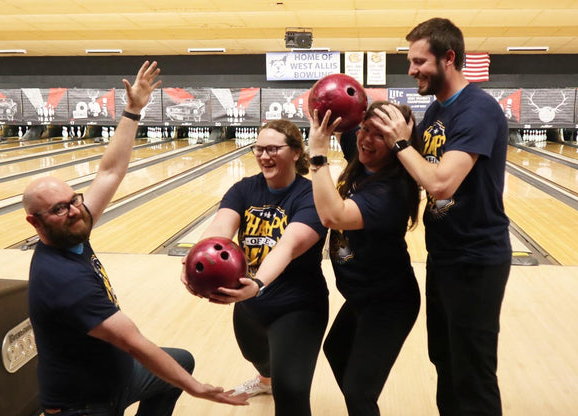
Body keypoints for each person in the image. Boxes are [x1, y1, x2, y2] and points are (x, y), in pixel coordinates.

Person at [23, 61, 248, 416]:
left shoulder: (71, 229)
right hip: (83, 404)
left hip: (115, 375)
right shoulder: (63, 280)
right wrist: (197, 390)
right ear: (35, 222)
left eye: (73, 201)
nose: (73, 211)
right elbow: (135, 342)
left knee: (181, 360)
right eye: (58, 209)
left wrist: (132, 110)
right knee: (177, 372)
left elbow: (110, 172)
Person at [383, 17, 512, 415]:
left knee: (472, 372)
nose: (411, 70)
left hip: (476, 259)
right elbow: (408, 164)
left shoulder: (477, 110)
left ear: (449, 58)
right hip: (445, 256)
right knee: (444, 359)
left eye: (419, 61)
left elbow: (440, 183)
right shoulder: (438, 109)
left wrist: (402, 141)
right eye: (411, 61)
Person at [180, 119, 329, 416]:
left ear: (297, 152)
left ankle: (277, 384)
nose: (264, 155)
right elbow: (221, 227)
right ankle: (264, 380)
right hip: (250, 305)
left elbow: (288, 245)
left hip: (297, 305)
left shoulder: (311, 196)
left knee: (292, 391)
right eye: (258, 149)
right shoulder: (244, 189)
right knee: (256, 356)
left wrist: (259, 283)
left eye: (273, 148)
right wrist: (197, 257)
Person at [307, 102, 423, 415]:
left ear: (399, 144)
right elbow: (339, 114)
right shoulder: (363, 159)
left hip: (388, 302)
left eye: (380, 135)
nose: (366, 139)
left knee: (360, 392)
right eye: (366, 130)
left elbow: (333, 215)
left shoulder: (390, 191)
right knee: (336, 350)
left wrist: (317, 154)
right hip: (362, 296)